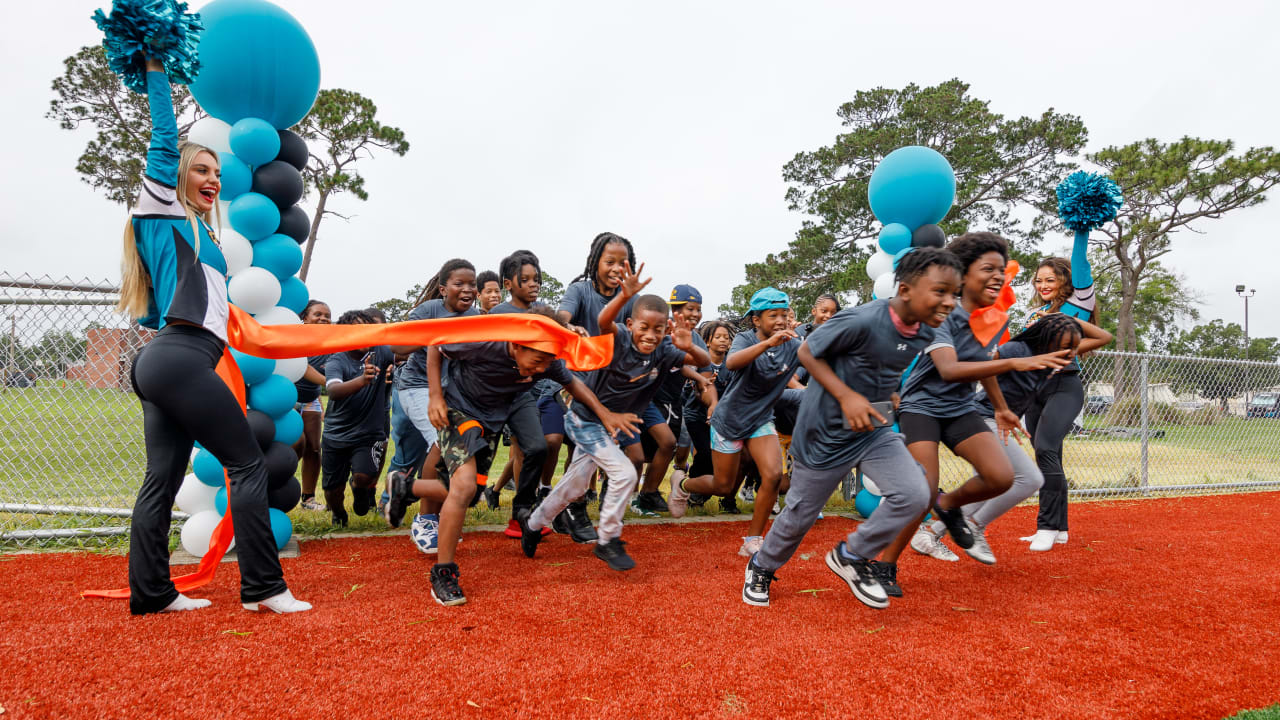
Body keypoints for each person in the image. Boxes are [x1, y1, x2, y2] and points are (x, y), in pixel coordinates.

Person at [118, 59, 307, 614]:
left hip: (166, 361)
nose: (213, 180)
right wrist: (155, 65)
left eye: (216, 172)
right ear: (175, 178)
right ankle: (264, 589)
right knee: (247, 463)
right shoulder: (164, 212)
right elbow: (160, 136)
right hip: (179, 360)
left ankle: (151, 594)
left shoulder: (199, 231)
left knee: (161, 480)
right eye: (201, 170)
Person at [740, 248, 963, 609]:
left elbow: (889, 364)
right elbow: (807, 352)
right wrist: (846, 397)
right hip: (824, 433)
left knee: (915, 493)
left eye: (955, 293)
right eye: (940, 291)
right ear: (904, 290)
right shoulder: (861, 320)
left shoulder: (926, 330)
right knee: (800, 516)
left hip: (872, 430)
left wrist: (890, 393)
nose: (950, 302)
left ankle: (852, 555)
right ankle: (761, 565)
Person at [385, 307, 634, 605]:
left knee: (468, 492)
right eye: (537, 361)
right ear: (516, 345)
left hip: (489, 424)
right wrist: (435, 396)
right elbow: (436, 343)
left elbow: (574, 384)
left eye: (547, 362)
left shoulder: (546, 355)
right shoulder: (483, 342)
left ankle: (404, 487)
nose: (541, 369)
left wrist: (604, 413)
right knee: (463, 488)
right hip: (458, 411)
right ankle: (444, 572)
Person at [877, 233, 1071, 598]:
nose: (999, 276)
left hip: (961, 408)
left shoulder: (992, 318)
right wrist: (1017, 361)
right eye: (989, 269)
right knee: (919, 491)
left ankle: (948, 506)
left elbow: (982, 365)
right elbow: (949, 369)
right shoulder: (939, 315)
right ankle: (884, 564)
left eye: (1002, 269)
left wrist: (1001, 408)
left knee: (1002, 476)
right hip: (922, 407)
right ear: (963, 274)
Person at [523, 264, 710, 571]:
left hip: (612, 426)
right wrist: (625, 295)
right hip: (586, 419)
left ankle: (534, 523)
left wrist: (691, 347)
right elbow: (603, 320)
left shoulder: (664, 349)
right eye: (644, 327)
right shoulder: (620, 338)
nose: (650, 335)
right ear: (630, 324)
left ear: (666, 330)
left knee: (575, 487)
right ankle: (608, 539)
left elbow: (701, 363)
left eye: (658, 329)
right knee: (624, 473)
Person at [913, 313, 1112, 562]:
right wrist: (1000, 408)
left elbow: (1105, 337)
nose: (1070, 353)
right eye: (1065, 347)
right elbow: (985, 369)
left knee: (987, 486)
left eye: (1073, 348)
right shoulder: (1016, 349)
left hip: (997, 421)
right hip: (983, 418)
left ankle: (930, 533)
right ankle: (974, 527)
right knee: (1028, 479)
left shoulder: (1057, 356)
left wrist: (1061, 318)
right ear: (1046, 339)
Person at [668, 287, 801, 558]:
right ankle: (682, 484)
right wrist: (767, 343)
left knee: (773, 475)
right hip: (729, 420)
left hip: (761, 420)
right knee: (723, 486)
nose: (779, 321)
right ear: (756, 320)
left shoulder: (794, 345)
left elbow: (820, 352)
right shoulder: (744, 338)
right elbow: (733, 362)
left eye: (783, 315)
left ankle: (753, 539)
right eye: (772, 315)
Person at [540, 232, 640, 541]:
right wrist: (567, 326)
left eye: (623, 263)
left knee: (618, 452)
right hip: (572, 382)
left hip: (609, 388)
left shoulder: (630, 299)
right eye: (609, 262)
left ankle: (580, 505)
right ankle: (558, 500)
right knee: (560, 441)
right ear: (595, 262)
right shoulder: (580, 290)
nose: (616, 269)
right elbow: (561, 316)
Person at [387, 259, 478, 553]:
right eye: (459, 284)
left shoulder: (476, 316)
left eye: (472, 284)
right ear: (442, 289)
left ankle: (436, 512)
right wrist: (435, 337)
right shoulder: (429, 311)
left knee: (446, 448)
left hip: (453, 391)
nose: (467, 289)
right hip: (416, 386)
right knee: (441, 441)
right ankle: (426, 518)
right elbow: (396, 347)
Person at [1021, 235, 1103, 550]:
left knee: (1044, 448)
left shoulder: (1076, 305)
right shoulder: (1034, 313)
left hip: (1064, 386)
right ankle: (1059, 528)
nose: (1043, 285)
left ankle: (1046, 527)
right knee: (1049, 456)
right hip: (1034, 389)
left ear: (1065, 282)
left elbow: (1082, 266)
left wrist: (1080, 231)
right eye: (1039, 280)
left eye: (1050, 280)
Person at [481, 250, 557, 538]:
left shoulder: (542, 314)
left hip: (532, 391)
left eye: (536, 279)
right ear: (508, 284)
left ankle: (520, 516)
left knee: (534, 448)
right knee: (501, 455)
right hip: (497, 395)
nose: (533, 284)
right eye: (524, 279)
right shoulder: (498, 314)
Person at [634, 284, 710, 517]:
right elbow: (675, 363)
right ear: (675, 310)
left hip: (674, 402)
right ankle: (625, 496)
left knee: (666, 447)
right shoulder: (661, 330)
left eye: (699, 310)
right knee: (637, 451)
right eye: (690, 309)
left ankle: (647, 494)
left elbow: (705, 373)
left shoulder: (696, 338)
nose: (695, 314)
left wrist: (706, 393)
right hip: (647, 398)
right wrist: (696, 376)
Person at [321, 310, 395, 527]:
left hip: (369, 433)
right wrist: (362, 380)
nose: (363, 335)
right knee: (332, 490)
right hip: (336, 434)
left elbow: (405, 349)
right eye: (356, 331)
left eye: (367, 329)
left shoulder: (381, 351)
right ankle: (338, 513)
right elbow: (333, 391)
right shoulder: (337, 360)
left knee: (364, 476)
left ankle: (360, 490)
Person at [682, 320, 734, 512]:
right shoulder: (700, 363)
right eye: (718, 337)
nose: (723, 341)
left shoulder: (732, 363)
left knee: (720, 459)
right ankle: (693, 492)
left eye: (726, 338)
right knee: (705, 453)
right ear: (707, 341)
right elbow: (695, 392)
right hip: (696, 415)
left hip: (722, 419)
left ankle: (705, 493)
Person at [293, 300, 330, 512]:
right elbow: (302, 367)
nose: (323, 318)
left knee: (314, 448)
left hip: (312, 400)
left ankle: (308, 499)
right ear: (305, 317)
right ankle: (279, 484)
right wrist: (330, 383)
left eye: (327, 315)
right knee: (297, 443)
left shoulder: (329, 343)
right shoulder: (296, 337)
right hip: (286, 399)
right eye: (318, 314)